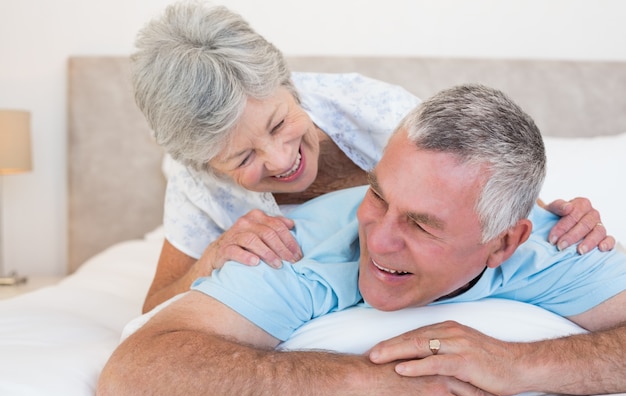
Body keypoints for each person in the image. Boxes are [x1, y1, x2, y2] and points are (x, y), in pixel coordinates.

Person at [96, 84, 626, 396]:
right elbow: (132, 379)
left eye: (421, 224)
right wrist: (363, 381)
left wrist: (521, 365)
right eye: (378, 194)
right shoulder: (301, 249)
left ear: (505, 242)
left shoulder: (560, 244)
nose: (377, 236)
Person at [132, 1, 613, 313]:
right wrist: (210, 259)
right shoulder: (196, 181)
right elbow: (153, 310)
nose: (280, 161)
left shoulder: (373, 111)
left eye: (280, 124)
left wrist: (566, 218)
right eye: (241, 159)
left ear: (288, 83)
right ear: (207, 163)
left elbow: (483, 196)